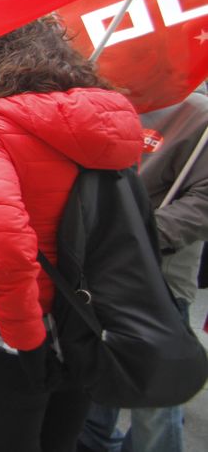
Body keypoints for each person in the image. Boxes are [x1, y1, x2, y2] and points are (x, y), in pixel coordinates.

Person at [0, 17, 142, 452]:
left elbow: (2, 241)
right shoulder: (115, 119)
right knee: (62, 440)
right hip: (90, 312)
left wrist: (29, 342)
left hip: (8, 322)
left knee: (11, 442)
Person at [78, 89, 208, 452]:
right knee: (95, 388)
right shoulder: (97, 97)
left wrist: (139, 235)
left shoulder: (197, 115)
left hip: (159, 279)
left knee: (154, 404)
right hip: (97, 275)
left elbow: (202, 203)